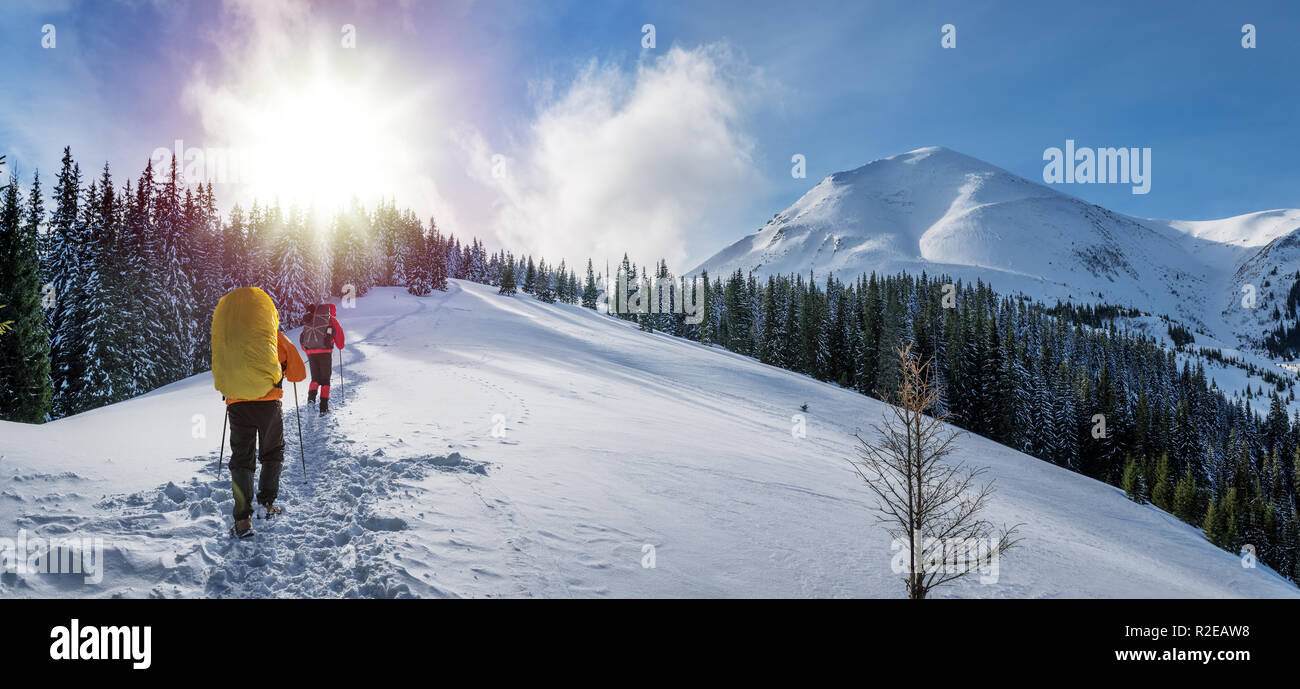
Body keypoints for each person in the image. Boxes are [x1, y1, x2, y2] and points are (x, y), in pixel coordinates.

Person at [211, 287, 307, 538]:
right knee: (272, 452)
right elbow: (298, 373)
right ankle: (267, 503)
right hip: (268, 403)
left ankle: (243, 520)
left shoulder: (230, 340)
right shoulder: (271, 337)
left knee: (242, 458)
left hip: (237, 404)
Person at [300, 303, 345, 414]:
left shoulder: (312, 319)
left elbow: (304, 339)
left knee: (315, 379)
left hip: (311, 353)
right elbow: (340, 341)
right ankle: (323, 408)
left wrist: (309, 351)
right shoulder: (331, 319)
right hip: (325, 353)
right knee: (325, 380)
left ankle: (311, 402)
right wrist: (338, 345)